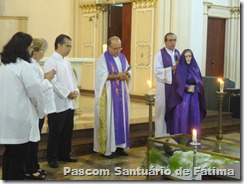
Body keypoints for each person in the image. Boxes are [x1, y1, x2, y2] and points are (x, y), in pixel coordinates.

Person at [0, 32, 45, 180]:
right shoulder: (24, 67)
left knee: (9, 154)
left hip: (6, 116)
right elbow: (36, 93)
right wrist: (41, 111)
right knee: (19, 157)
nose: (31, 51)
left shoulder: (4, 66)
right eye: (30, 47)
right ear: (23, 48)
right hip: (20, 118)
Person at [43, 34, 79, 168]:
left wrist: (75, 91)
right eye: (67, 46)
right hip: (57, 103)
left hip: (69, 102)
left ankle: (65, 154)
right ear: (59, 45)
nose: (69, 49)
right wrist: (66, 93)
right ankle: (52, 157)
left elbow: (73, 79)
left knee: (67, 130)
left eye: (71, 46)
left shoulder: (66, 61)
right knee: (55, 131)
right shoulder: (51, 61)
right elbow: (52, 81)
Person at [93, 36, 132, 158]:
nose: (117, 51)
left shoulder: (122, 57)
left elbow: (128, 70)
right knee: (110, 120)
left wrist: (126, 75)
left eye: (119, 48)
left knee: (122, 119)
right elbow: (101, 76)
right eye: (115, 48)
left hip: (121, 94)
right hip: (109, 95)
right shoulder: (103, 59)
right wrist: (117, 76)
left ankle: (120, 147)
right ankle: (107, 149)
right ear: (109, 47)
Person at [25, 38, 56, 179]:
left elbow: (37, 81)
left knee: (35, 140)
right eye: (43, 50)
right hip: (34, 109)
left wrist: (44, 76)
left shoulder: (34, 64)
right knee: (31, 141)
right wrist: (47, 78)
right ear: (35, 52)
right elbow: (35, 87)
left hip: (39, 109)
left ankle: (34, 165)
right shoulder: (30, 65)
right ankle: (30, 168)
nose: (44, 53)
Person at [165, 49, 206, 136]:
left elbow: (200, 82)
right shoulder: (180, 69)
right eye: (186, 56)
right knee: (183, 118)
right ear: (183, 57)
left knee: (193, 118)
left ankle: (193, 142)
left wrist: (196, 87)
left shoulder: (195, 68)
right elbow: (178, 83)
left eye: (190, 56)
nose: (188, 58)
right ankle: (180, 141)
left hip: (194, 99)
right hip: (182, 98)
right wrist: (187, 87)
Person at [154, 32, 180, 137]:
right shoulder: (159, 54)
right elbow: (157, 71)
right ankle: (161, 138)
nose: (173, 42)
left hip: (175, 88)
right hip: (164, 87)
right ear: (165, 42)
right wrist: (172, 69)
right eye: (170, 40)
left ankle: (173, 137)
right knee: (162, 112)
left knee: (174, 112)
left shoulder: (178, 53)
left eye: (174, 40)